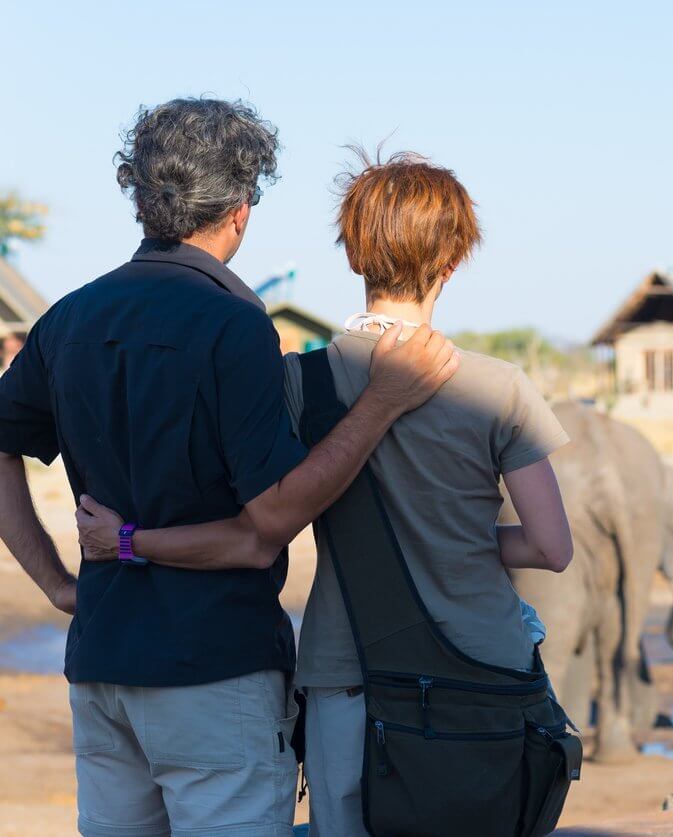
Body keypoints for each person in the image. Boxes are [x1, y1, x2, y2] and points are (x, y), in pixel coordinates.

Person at [77, 150, 574, 836]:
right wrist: (458, 540)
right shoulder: (499, 387)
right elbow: (551, 547)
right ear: (454, 261)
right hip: (482, 672)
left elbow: (255, 509)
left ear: (352, 256)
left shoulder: (296, 383)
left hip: (348, 671)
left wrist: (128, 538)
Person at [0, 100, 458, 837]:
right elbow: (272, 519)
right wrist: (382, 402)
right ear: (241, 210)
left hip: (101, 668)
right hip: (214, 671)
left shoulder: (69, 317)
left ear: (143, 200)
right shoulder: (234, 321)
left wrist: (60, 584)